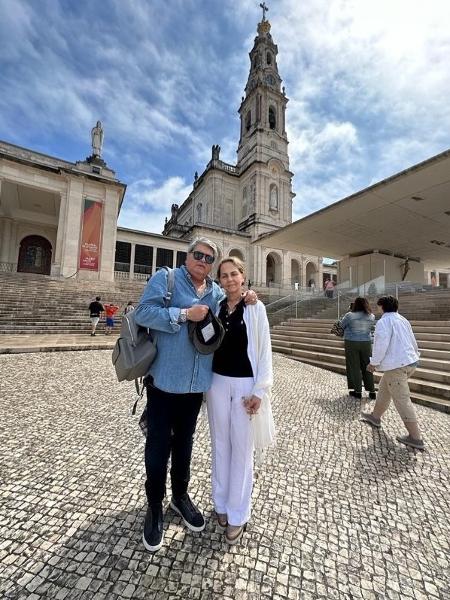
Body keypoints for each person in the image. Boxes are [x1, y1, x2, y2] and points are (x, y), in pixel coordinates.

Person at [134, 238, 257, 552]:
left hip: (197, 387)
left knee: (185, 444)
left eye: (208, 257)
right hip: (164, 383)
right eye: (197, 254)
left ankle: (179, 497)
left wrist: (249, 295)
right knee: (158, 445)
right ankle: (154, 506)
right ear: (187, 256)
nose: (202, 260)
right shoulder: (167, 279)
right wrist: (183, 314)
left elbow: (233, 300)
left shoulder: (216, 292)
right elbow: (143, 313)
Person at [206, 257, 274, 545]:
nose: (230, 279)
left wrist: (260, 390)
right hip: (217, 383)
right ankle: (220, 504)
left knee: (242, 449)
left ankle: (237, 514)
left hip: (245, 383)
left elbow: (264, 350)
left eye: (234, 274)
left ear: (243, 277)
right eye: (224, 275)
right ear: (219, 280)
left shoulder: (255, 307)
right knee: (220, 444)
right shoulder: (217, 307)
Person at [360, 295, 424, 450]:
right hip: (409, 361)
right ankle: (375, 417)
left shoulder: (384, 322)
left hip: (397, 365)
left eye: (378, 306)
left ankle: (416, 437)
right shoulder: (402, 319)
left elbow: (380, 344)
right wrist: (415, 355)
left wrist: (373, 363)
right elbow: (412, 340)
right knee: (384, 389)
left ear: (382, 307)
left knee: (402, 399)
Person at [339, 297, 376, 399]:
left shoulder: (349, 315)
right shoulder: (371, 316)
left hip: (351, 342)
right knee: (367, 366)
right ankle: (372, 391)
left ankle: (357, 391)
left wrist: (349, 312)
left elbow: (341, 325)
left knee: (354, 366)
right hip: (366, 343)